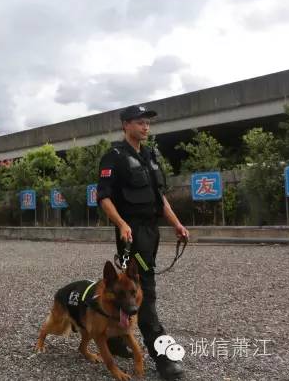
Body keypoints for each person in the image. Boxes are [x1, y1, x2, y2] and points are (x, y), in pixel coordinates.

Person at [97, 105, 189, 380]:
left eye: (147, 123)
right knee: (143, 289)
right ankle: (163, 356)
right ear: (125, 125)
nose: (145, 127)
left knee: (131, 284)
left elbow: (160, 199)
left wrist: (177, 224)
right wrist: (122, 224)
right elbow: (104, 198)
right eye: (139, 122)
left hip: (152, 232)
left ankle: (114, 338)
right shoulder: (112, 157)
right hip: (132, 235)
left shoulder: (150, 155)